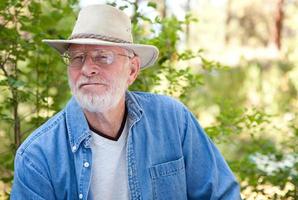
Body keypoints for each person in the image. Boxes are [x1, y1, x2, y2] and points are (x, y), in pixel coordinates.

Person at [11, 4, 241, 200]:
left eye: (103, 57)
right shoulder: (37, 157)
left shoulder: (173, 120)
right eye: (77, 58)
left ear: (132, 70)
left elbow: (221, 194)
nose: (87, 68)